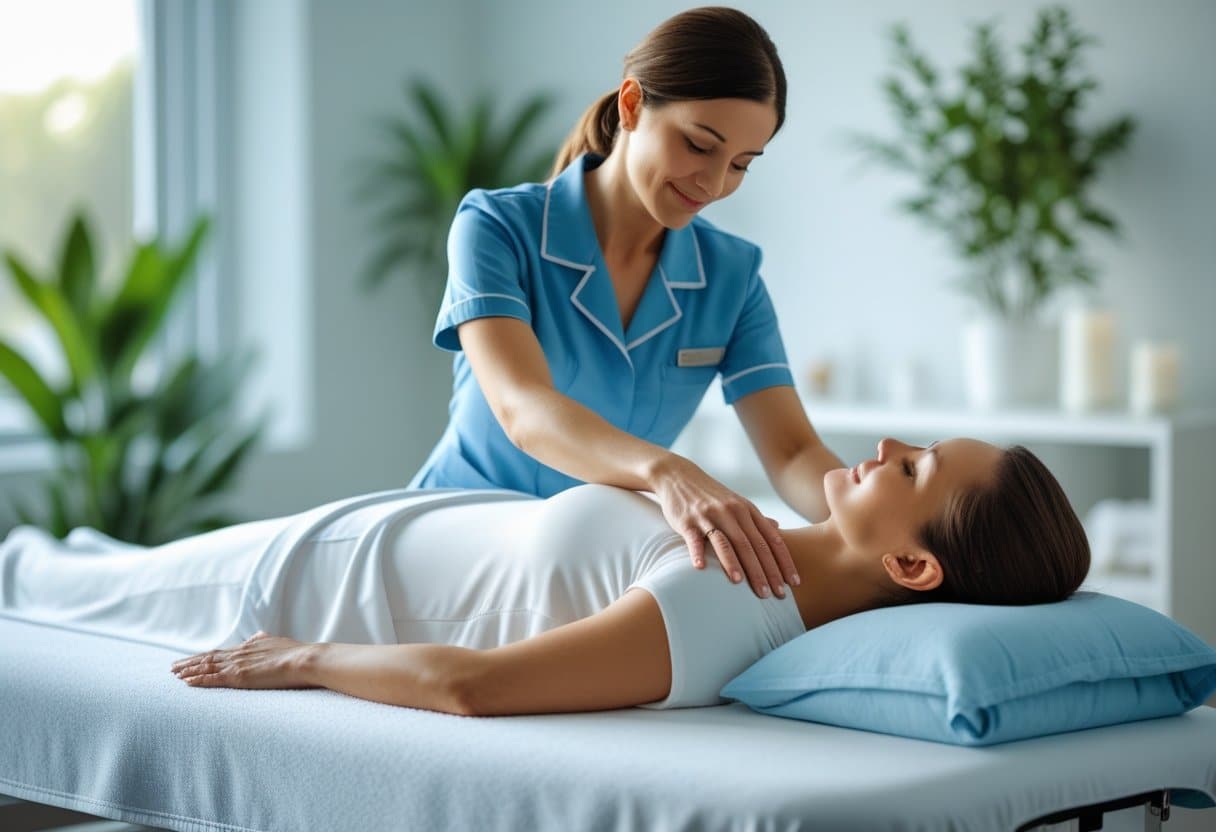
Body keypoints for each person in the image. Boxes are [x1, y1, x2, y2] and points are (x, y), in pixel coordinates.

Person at [0, 439, 1091, 716]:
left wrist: (304, 659)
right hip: (350, 532)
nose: (885, 446)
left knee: (34, 581)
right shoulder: (752, 536)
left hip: (299, 593)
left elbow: (475, 684)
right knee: (82, 560)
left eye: (909, 469)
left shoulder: (725, 609)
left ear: (910, 563)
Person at [408, 7, 845, 602]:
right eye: (699, 145)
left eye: (741, 164)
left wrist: (877, 515)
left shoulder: (732, 276)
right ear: (633, 105)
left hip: (587, 564)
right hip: (453, 540)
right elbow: (523, 409)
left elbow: (793, 452)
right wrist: (668, 472)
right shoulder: (496, 226)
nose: (715, 184)